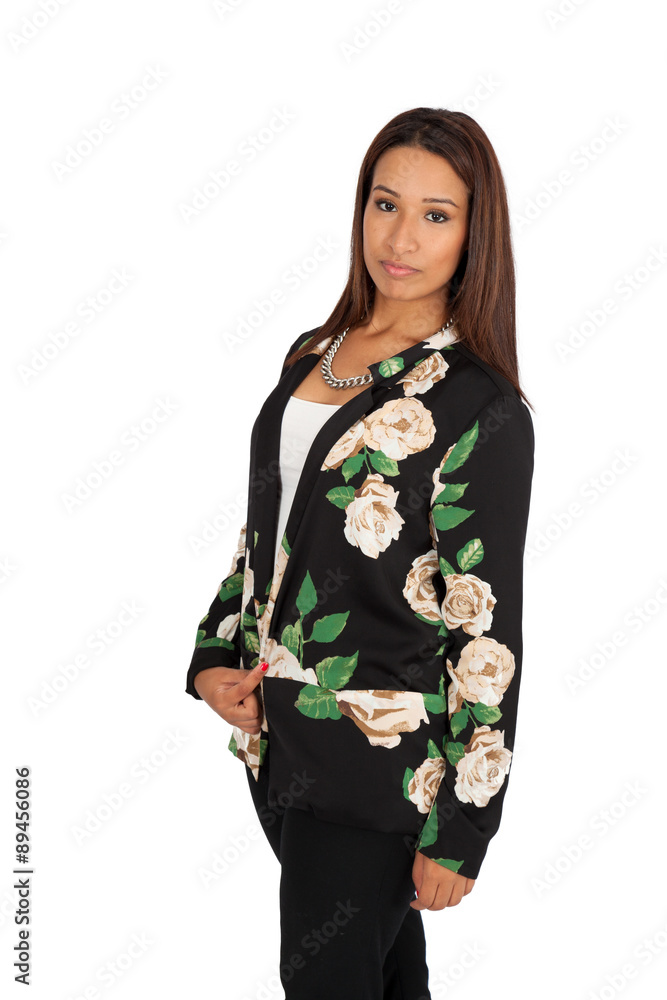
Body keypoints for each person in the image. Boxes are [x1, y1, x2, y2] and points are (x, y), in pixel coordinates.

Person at [185, 106, 535, 999]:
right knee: (382, 982)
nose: (401, 238)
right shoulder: (313, 353)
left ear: (474, 233)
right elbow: (266, 538)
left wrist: (464, 825)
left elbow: (486, 629)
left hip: (382, 769)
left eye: (435, 215)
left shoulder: (478, 404)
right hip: (277, 745)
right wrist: (214, 656)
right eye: (386, 204)